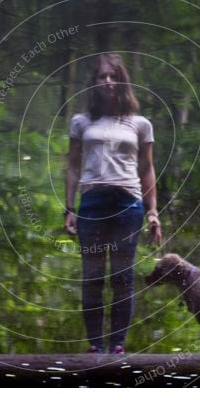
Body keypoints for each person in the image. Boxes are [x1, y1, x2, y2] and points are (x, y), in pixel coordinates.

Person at [64, 53, 162, 354]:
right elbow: (72, 166)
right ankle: (95, 346)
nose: (107, 81)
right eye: (101, 76)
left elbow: (146, 169)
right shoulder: (81, 121)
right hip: (92, 203)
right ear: (93, 82)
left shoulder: (140, 124)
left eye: (113, 76)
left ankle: (117, 346)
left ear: (122, 81)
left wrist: (152, 212)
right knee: (92, 276)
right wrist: (69, 208)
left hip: (128, 205)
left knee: (122, 278)